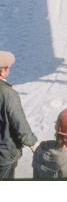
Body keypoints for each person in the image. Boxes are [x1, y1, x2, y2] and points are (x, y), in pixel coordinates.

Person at [0, 51, 38, 180]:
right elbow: (19, 124)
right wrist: (33, 144)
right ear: (3, 72)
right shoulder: (8, 94)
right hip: (4, 155)